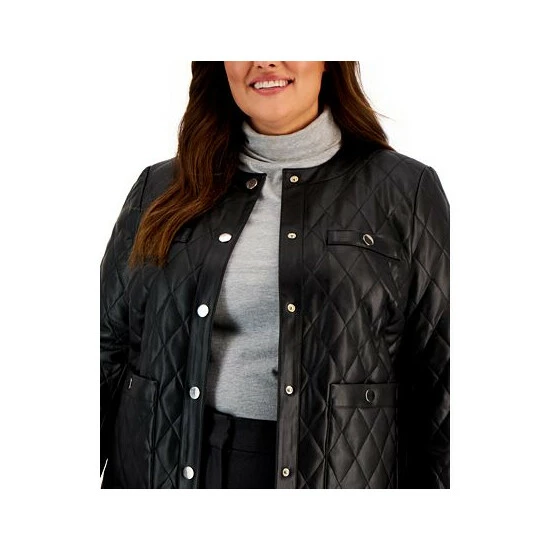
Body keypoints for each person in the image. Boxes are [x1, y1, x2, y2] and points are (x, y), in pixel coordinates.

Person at [100, 61, 450, 489]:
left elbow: (444, 378)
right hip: (161, 472)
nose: (265, 59)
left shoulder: (405, 191)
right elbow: (104, 348)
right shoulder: (159, 189)